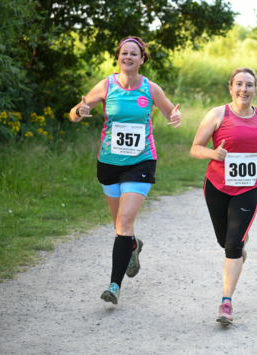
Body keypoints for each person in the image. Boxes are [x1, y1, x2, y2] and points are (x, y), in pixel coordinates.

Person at [68, 36, 181, 305]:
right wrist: (79, 111)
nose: (128, 57)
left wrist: (175, 117)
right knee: (119, 225)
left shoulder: (150, 89)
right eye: (124, 53)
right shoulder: (106, 85)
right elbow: (74, 113)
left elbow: (169, 112)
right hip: (109, 164)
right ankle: (131, 245)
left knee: (124, 222)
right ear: (118, 57)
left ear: (142, 59)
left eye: (134, 54)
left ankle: (114, 286)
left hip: (141, 162)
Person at [190, 68, 257, 325]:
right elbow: (195, 148)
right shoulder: (217, 114)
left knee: (233, 246)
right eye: (239, 84)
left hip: (248, 188)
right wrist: (212, 154)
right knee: (225, 241)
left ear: (256, 90)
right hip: (217, 186)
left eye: (249, 85)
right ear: (230, 88)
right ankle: (239, 240)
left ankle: (226, 302)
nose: (244, 89)